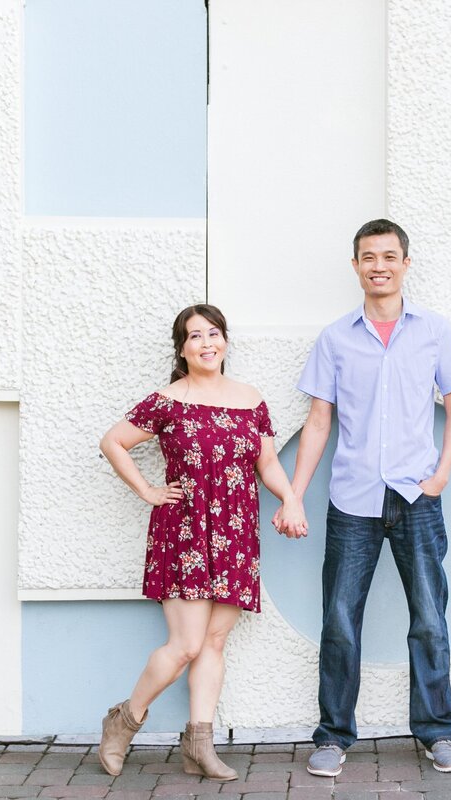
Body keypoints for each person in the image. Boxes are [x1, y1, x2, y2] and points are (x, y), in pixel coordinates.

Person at [274, 219, 451, 775]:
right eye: (368, 256)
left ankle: (436, 732)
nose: (378, 265)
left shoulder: (433, 331)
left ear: (406, 263)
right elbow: (318, 422)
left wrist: (441, 476)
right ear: (355, 266)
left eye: (389, 255)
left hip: (417, 497)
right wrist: (293, 495)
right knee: (339, 620)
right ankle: (334, 737)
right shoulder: (336, 338)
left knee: (430, 618)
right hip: (353, 501)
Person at [97, 303, 307, 781]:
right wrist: (148, 490)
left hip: (235, 533)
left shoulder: (251, 399)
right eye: (195, 336)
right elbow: (113, 441)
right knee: (186, 644)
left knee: (214, 641)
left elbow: (267, 463)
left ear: (225, 341)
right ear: (182, 348)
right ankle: (124, 721)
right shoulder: (167, 401)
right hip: (185, 532)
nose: (207, 342)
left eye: (214, 333)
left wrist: (291, 499)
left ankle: (199, 747)